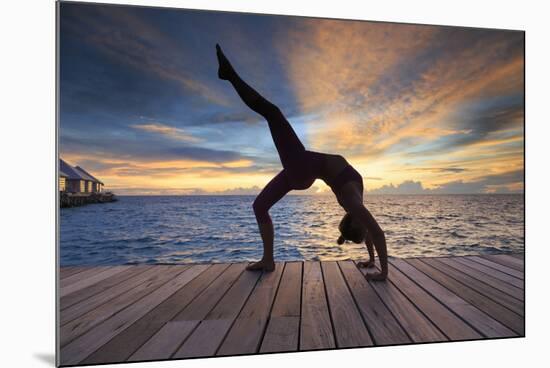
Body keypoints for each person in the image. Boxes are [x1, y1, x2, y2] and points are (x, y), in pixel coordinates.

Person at [216, 44, 388, 280]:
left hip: (304, 166)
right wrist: (371, 260)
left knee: (273, 113)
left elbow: (377, 233)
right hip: (302, 170)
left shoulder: (352, 202)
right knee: (259, 207)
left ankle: (230, 76)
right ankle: (268, 261)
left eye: (362, 223)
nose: (364, 222)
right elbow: (370, 231)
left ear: (357, 221)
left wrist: (383, 274)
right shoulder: (355, 207)